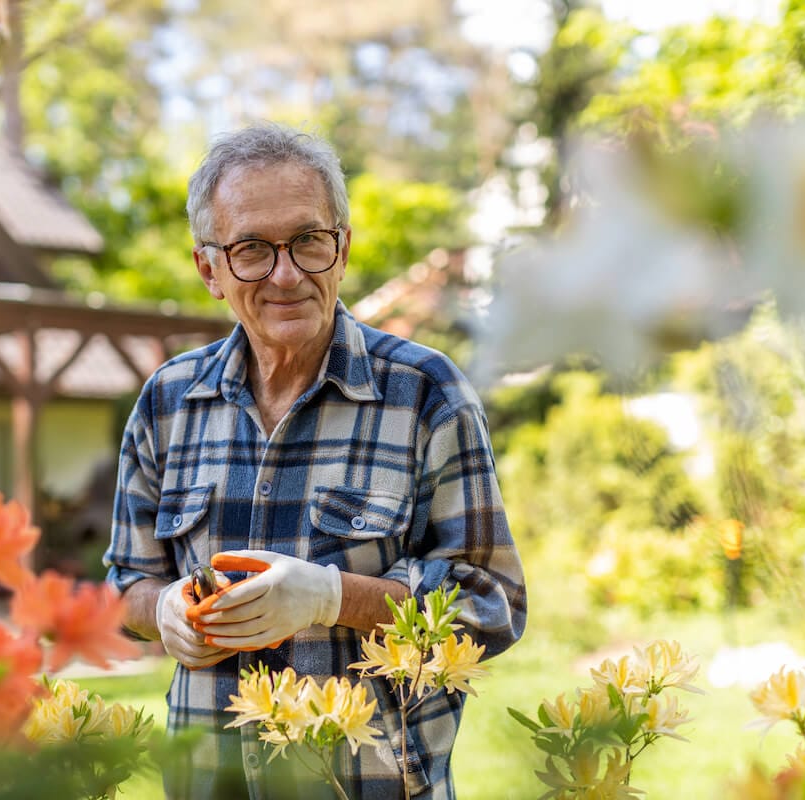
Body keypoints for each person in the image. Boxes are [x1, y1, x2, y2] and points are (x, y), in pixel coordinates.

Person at [104, 123, 526, 799]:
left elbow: (494, 603)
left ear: (343, 247)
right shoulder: (166, 402)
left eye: (308, 240)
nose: (286, 274)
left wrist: (333, 598)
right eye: (251, 249)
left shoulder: (424, 393)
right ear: (209, 269)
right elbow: (128, 582)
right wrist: (166, 613)